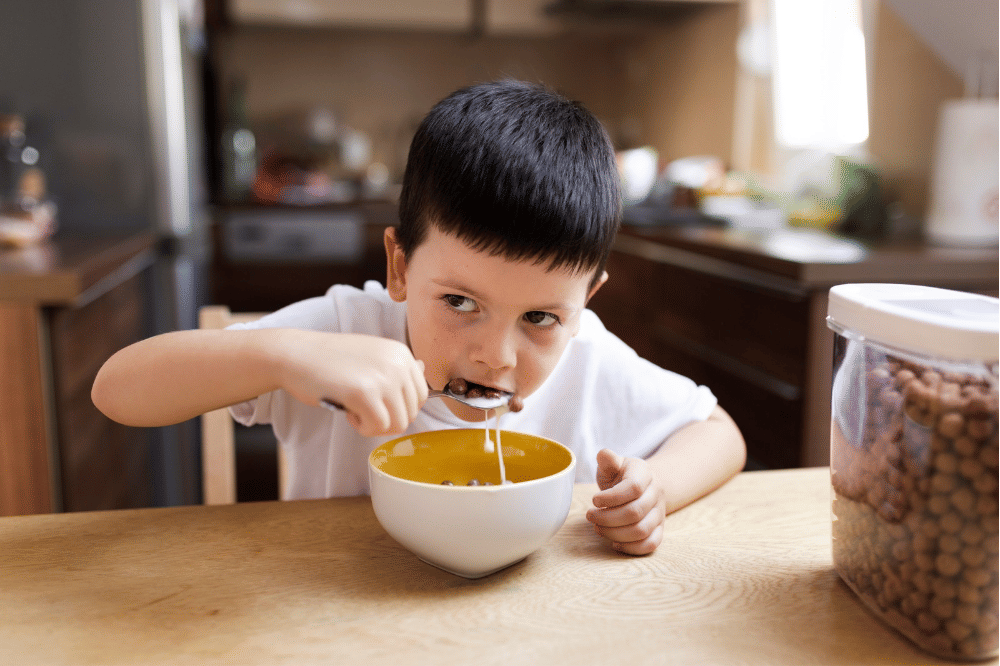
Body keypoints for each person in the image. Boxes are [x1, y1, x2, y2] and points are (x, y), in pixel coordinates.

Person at [93, 80, 746, 555]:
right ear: (400, 269)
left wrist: (656, 486)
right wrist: (284, 355)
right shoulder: (338, 331)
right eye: (461, 303)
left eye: (542, 317)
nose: (497, 355)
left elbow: (718, 432)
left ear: (586, 302)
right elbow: (116, 389)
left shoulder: (590, 358)